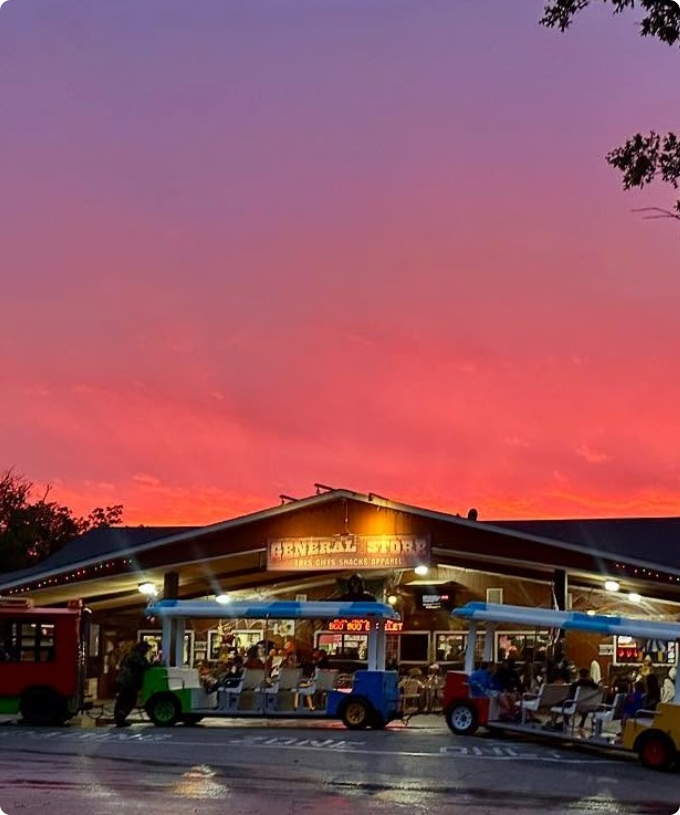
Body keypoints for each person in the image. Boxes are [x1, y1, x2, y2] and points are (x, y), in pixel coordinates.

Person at [113, 641, 152, 727]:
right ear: (141, 649)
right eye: (146, 649)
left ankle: (120, 718)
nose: (146, 651)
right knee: (126, 700)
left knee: (127, 700)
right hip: (127, 682)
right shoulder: (135, 655)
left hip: (128, 682)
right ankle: (119, 718)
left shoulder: (135, 654)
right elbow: (145, 665)